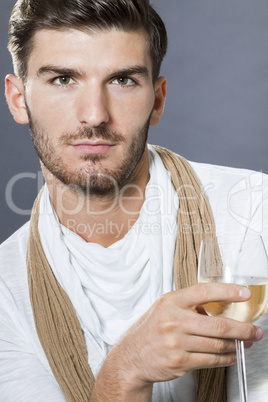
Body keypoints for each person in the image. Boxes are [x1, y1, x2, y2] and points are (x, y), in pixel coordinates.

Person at [1, 0, 267, 401]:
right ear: (19, 99)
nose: (93, 115)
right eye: (62, 79)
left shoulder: (255, 214)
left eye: (122, 80)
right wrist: (125, 372)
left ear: (157, 100)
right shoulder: (6, 290)